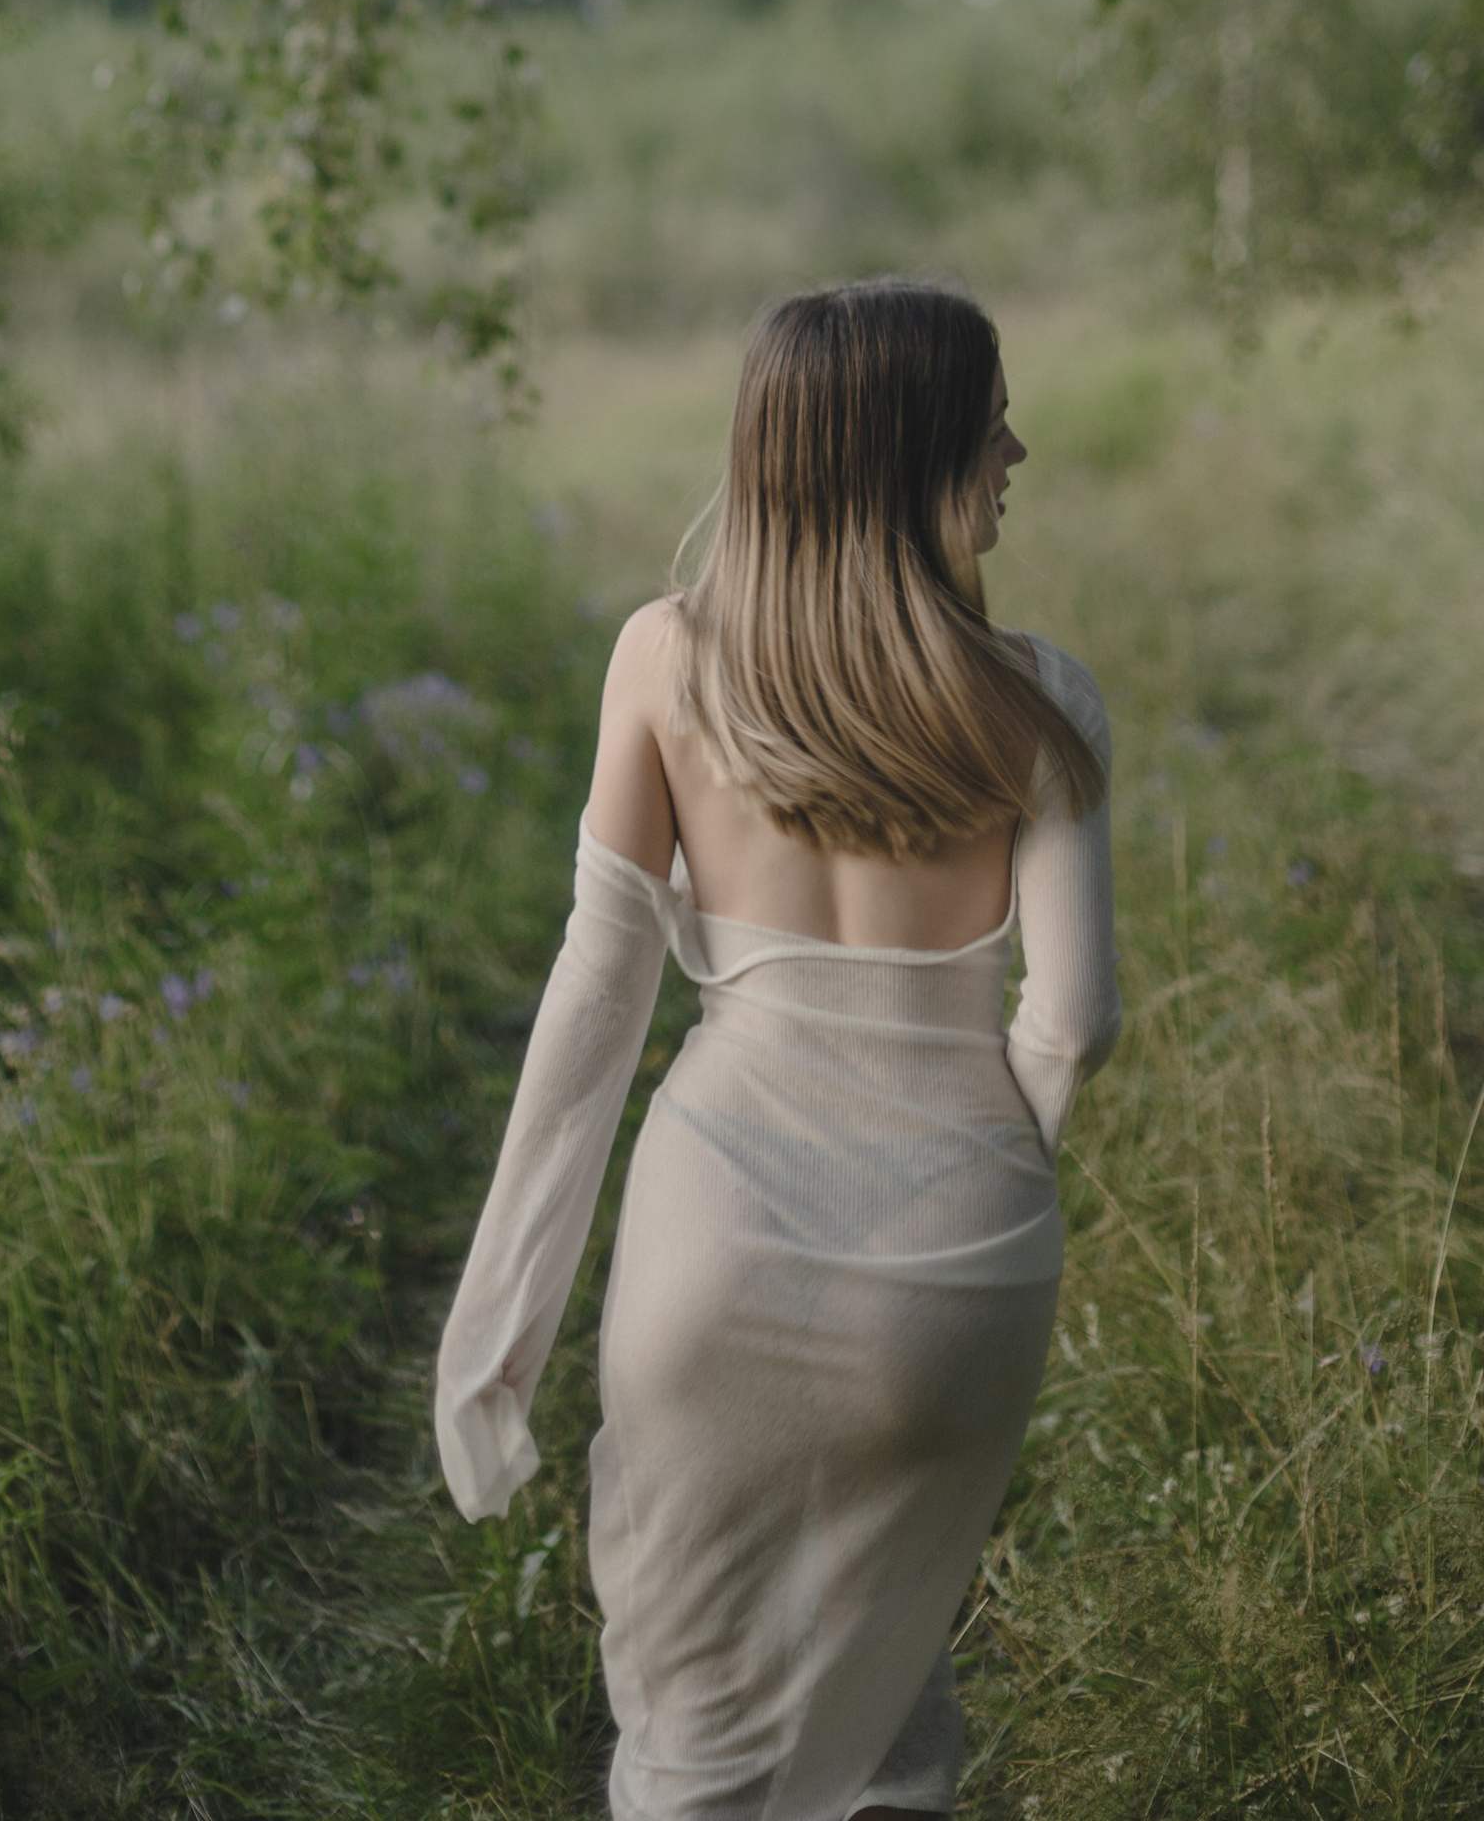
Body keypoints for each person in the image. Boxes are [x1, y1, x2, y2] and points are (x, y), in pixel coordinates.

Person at [436, 277, 1122, 1820]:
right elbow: (1075, 1022)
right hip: (960, 1275)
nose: (1016, 451)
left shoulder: (661, 660)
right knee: (887, 1696)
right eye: (990, 423)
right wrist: (974, 1177)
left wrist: (496, 1334)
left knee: (695, 1730)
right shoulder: (1041, 702)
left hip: (716, 1245)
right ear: (902, 452)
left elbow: (598, 995)